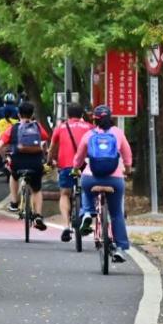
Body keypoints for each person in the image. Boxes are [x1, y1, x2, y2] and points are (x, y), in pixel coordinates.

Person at [72, 105, 133, 263]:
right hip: (115, 180)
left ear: (95, 120)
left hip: (91, 177)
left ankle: (87, 213)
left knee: (86, 190)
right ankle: (120, 248)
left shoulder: (89, 135)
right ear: (110, 118)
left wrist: (75, 168)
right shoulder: (118, 133)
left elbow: (79, 158)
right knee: (116, 214)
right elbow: (127, 155)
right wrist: (127, 169)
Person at [0, 101, 50, 230]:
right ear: (32, 114)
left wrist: (6, 158)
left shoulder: (13, 128)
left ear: (19, 114)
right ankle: (38, 215)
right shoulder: (37, 126)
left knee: (13, 175)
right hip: (35, 162)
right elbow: (45, 138)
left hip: (18, 161)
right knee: (36, 189)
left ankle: (14, 202)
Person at [48, 103, 94, 242]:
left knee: (65, 193)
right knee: (87, 190)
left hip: (67, 165)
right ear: (82, 114)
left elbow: (52, 148)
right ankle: (86, 213)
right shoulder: (90, 127)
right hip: (86, 165)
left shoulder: (60, 128)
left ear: (67, 114)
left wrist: (50, 160)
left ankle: (66, 226)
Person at [0, 94, 19, 177]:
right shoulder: (17, 109)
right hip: (14, 135)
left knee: (0, 149)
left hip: (2, 136)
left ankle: (1, 168)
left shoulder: (0, 110)